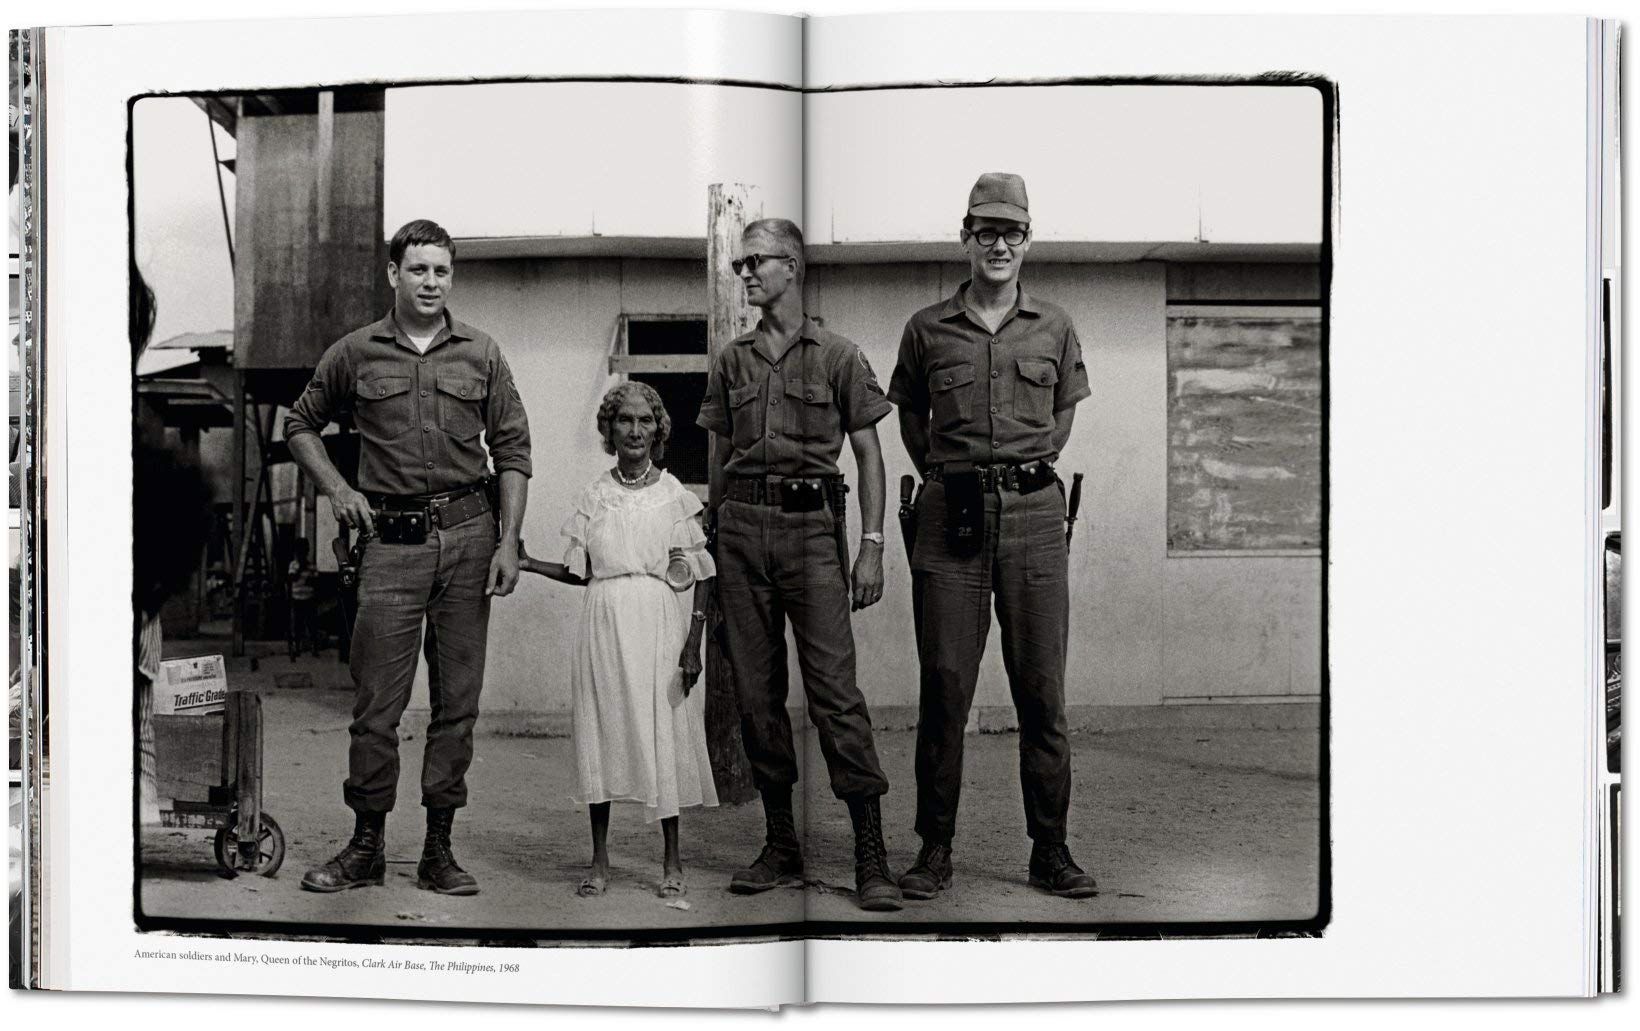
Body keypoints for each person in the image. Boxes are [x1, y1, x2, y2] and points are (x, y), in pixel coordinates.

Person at [284, 218, 532, 896]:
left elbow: (513, 451)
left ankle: (439, 850)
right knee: (377, 708)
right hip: (388, 548)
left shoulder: (482, 353)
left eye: (441, 271)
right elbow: (298, 424)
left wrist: (508, 540)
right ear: (394, 274)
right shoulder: (356, 352)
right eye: (418, 269)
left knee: (458, 705)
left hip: (469, 540)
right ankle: (365, 846)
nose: (430, 282)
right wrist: (337, 488)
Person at [888, 173, 1098, 900]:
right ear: (966, 238)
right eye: (986, 231)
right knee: (945, 688)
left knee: (1042, 691)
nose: (999, 244)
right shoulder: (925, 328)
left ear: (1028, 240)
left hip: (1036, 519)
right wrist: (952, 476)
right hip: (951, 520)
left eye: (1013, 232)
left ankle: (1052, 849)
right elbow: (913, 422)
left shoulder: (1056, 325)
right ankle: (934, 849)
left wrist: (1022, 471)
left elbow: (1062, 417)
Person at [696, 217, 902, 911]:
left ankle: (869, 850)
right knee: (756, 694)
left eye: (756, 262)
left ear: (792, 267)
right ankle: (781, 841)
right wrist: (712, 536)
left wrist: (872, 543)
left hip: (815, 531)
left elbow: (871, 454)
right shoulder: (732, 360)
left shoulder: (840, 355)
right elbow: (718, 458)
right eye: (739, 266)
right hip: (742, 532)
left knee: (834, 693)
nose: (746, 274)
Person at [518, 381, 718, 898]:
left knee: (663, 733)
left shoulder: (674, 494)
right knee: (601, 734)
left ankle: (672, 861)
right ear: (610, 429)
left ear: (658, 430)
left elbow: (702, 572)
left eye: (645, 421)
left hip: (658, 621)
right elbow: (580, 572)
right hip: (603, 623)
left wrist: (694, 641)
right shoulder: (595, 496)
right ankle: (600, 860)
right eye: (624, 421)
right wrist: (526, 561)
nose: (634, 430)